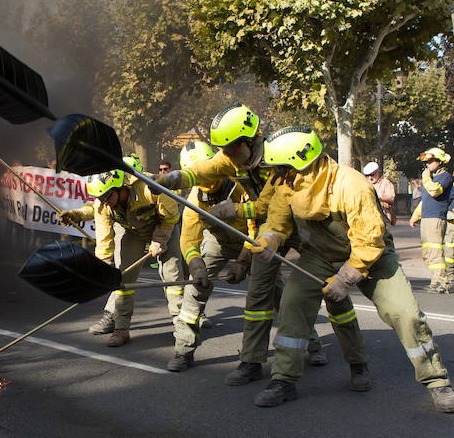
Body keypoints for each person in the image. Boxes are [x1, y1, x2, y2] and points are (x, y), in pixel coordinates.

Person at [153, 103, 369, 389]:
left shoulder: (279, 156)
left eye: (230, 148)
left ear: (250, 140)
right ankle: (252, 362)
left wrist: (240, 248)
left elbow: (266, 208)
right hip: (272, 231)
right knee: (257, 299)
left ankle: (357, 364)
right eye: (223, 150)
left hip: (308, 229)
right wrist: (172, 179)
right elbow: (202, 171)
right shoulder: (230, 161)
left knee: (332, 292)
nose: (226, 155)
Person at [249, 126, 454, 413]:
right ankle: (283, 379)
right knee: (292, 304)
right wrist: (270, 239)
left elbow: (370, 239)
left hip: (372, 256)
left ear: (300, 162)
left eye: (282, 168)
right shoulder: (287, 186)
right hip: (319, 255)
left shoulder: (351, 184)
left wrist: (346, 278)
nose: (276, 175)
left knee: (404, 313)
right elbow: (277, 223)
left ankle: (436, 380)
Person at [57, 168, 184, 348]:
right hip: (132, 232)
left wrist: (160, 239)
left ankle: (182, 328)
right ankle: (121, 329)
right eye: (100, 198)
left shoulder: (149, 187)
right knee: (124, 279)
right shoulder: (103, 205)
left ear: (120, 188)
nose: (104, 202)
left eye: (107, 197)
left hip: (163, 227)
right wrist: (103, 269)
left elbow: (171, 215)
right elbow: (104, 240)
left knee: (172, 277)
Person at [170, 141, 247, 371]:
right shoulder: (193, 200)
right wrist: (196, 265)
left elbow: (260, 226)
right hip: (218, 242)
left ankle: (311, 344)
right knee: (193, 293)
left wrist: (243, 260)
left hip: (251, 239)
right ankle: (183, 351)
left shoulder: (241, 185)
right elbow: (189, 239)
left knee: (277, 293)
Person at [409, 148, 454, 293]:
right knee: (427, 252)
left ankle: (443, 283)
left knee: (435, 252)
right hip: (427, 218)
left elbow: (435, 192)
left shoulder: (445, 177)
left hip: (436, 218)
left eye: (430, 161)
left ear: (440, 162)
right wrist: (415, 216)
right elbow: (425, 200)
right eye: (426, 162)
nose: (427, 165)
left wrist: (425, 178)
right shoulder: (431, 178)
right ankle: (435, 281)